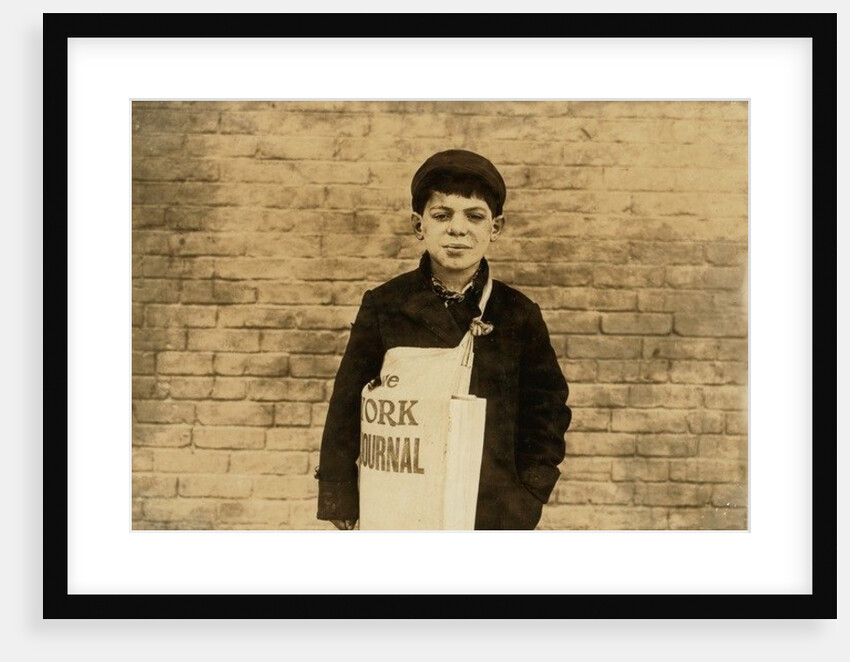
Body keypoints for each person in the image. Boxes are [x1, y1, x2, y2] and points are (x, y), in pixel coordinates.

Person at [315, 149, 572, 530]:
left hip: (490, 505)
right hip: (401, 499)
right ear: (420, 226)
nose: (457, 229)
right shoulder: (386, 306)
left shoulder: (517, 314)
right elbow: (346, 403)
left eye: (474, 216)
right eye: (442, 215)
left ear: (494, 228)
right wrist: (340, 494)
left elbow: (547, 410)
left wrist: (528, 493)